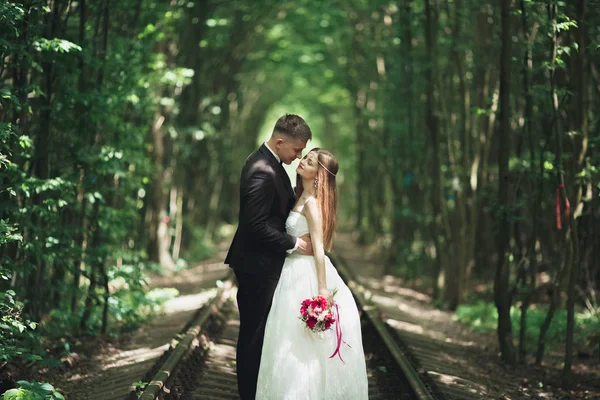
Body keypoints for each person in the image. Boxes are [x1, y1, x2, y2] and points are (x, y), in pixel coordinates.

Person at [256, 148, 369, 399]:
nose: (303, 162)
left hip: (304, 274)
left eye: (310, 162)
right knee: (285, 338)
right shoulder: (299, 196)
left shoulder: (312, 203)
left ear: (319, 175)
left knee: (302, 343)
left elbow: (319, 250)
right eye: (305, 157)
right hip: (290, 271)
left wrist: (321, 289)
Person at [225, 114, 314, 400]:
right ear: (279, 141)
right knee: (253, 336)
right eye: (296, 150)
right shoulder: (262, 169)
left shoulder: (271, 163)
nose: (298, 156)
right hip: (257, 266)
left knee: (262, 334)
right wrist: (294, 242)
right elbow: (256, 226)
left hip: (263, 264)